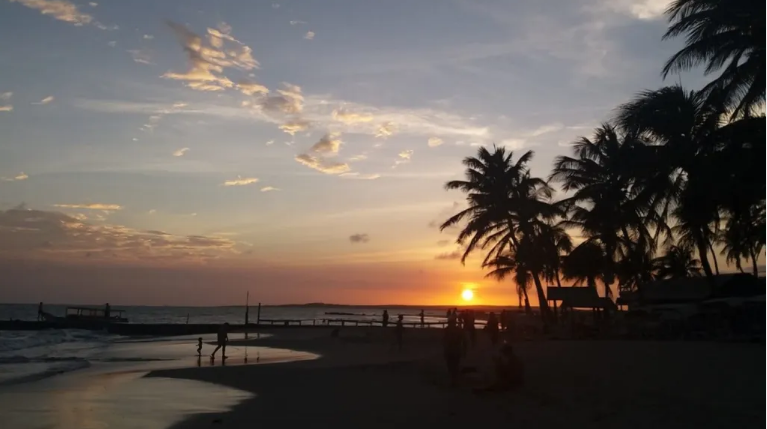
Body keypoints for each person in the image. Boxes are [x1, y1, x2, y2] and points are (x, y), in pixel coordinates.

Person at [443, 318, 465, 386]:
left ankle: (454, 380)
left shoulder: (448, 330)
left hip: (453, 350)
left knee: (452, 365)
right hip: (454, 350)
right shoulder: (457, 330)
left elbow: (444, 340)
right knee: (453, 365)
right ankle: (454, 380)